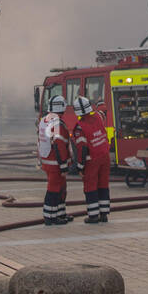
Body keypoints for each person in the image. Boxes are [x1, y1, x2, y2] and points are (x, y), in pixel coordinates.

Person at [71, 95, 112, 224]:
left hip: (91, 160)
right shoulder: (99, 117)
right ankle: (104, 214)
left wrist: (80, 167)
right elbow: (103, 111)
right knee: (103, 184)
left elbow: (82, 149)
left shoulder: (79, 127)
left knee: (90, 186)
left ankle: (93, 215)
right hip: (105, 157)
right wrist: (100, 102)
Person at [37, 94, 73, 226]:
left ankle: (60, 213)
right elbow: (59, 145)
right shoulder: (57, 122)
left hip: (48, 160)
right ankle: (50, 217)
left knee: (61, 188)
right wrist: (64, 165)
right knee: (54, 189)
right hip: (55, 163)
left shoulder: (45, 120)